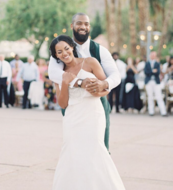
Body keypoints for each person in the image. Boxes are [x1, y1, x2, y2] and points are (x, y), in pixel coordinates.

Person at [50, 35, 125, 190]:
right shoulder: (59, 73)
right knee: (71, 151)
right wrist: (65, 82)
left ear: (72, 47)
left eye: (66, 48)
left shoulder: (90, 62)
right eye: (59, 52)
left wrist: (98, 91)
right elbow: (63, 103)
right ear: (56, 56)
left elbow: (105, 88)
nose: (64, 53)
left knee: (95, 150)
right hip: (72, 117)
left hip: (93, 114)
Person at [48, 13, 121, 151]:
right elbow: (54, 74)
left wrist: (103, 84)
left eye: (86, 24)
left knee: (100, 149)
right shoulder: (61, 48)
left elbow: (116, 75)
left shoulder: (100, 51)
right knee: (74, 149)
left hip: (96, 106)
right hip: (73, 108)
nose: (83, 27)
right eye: (79, 23)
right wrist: (81, 83)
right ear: (72, 26)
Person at [144, 51, 167, 116]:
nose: (153, 56)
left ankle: (163, 112)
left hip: (156, 82)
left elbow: (158, 72)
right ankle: (151, 111)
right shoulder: (147, 63)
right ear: (150, 55)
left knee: (159, 96)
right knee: (150, 96)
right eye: (152, 55)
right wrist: (152, 71)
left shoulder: (157, 63)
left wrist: (151, 71)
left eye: (154, 55)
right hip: (149, 82)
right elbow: (146, 72)